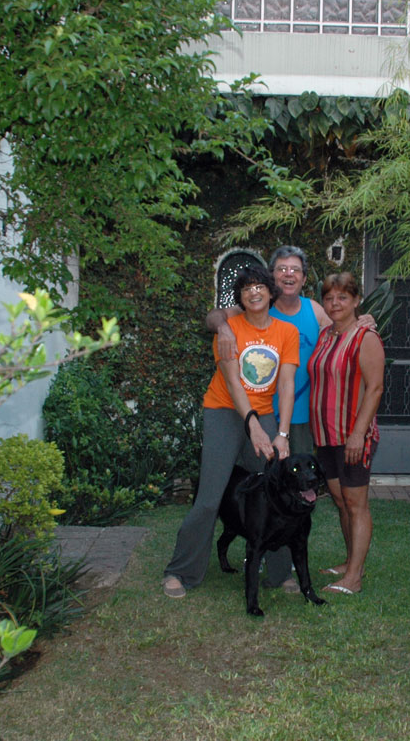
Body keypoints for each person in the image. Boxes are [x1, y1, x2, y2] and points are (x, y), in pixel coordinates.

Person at [204, 246, 373, 589]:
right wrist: (221, 325)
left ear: (304, 277)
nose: (288, 274)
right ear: (271, 275)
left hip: (298, 417)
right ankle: (260, 548)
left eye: (294, 269)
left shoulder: (314, 310)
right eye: (281, 268)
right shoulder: (255, 302)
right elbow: (214, 316)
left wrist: (365, 319)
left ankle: (282, 557)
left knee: (291, 490)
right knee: (254, 487)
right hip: (256, 414)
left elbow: (345, 325)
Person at [162, 265, 298, 598]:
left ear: (270, 292)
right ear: (240, 297)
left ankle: (279, 573)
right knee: (209, 498)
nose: (254, 292)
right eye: (247, 288)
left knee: (277, 491)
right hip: (224, 412)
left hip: (265, 415)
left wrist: (281, 434)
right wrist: (252, 426)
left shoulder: (286, 333)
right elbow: (234, 383)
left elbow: (287, 384)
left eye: (260, 286)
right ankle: (180, 571)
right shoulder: (228, 331)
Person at [308, 272, 384, 596]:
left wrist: (358, 434)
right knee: (340, 500)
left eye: (342, 297)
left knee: (356, 504)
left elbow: (375, 388)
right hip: (325, 435)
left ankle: (354, 577)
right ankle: (352, 562)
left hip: (353, 435)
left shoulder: (365, 337)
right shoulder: (326, 335)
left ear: (356, 301)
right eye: (329, 298)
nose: (334, 303)